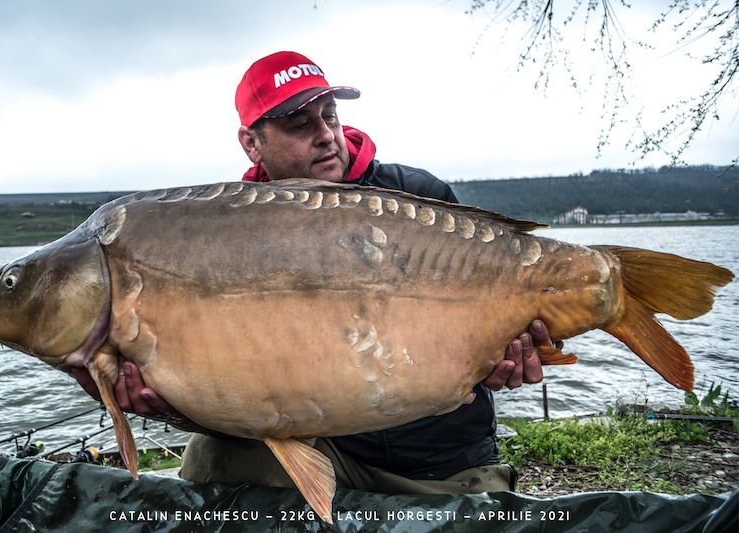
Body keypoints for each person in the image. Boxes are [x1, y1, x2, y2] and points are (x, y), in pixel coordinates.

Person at [73, 51, 559, 496]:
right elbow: (241, 392)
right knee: (210, 459)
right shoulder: (221, 237)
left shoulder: (419, 197)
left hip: (436, 459)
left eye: (329, 115)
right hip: (318, 447)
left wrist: (501, 358)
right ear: (252, 143)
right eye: (299, 124)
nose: (325, 134)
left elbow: (499, 339)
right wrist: (172, 405)